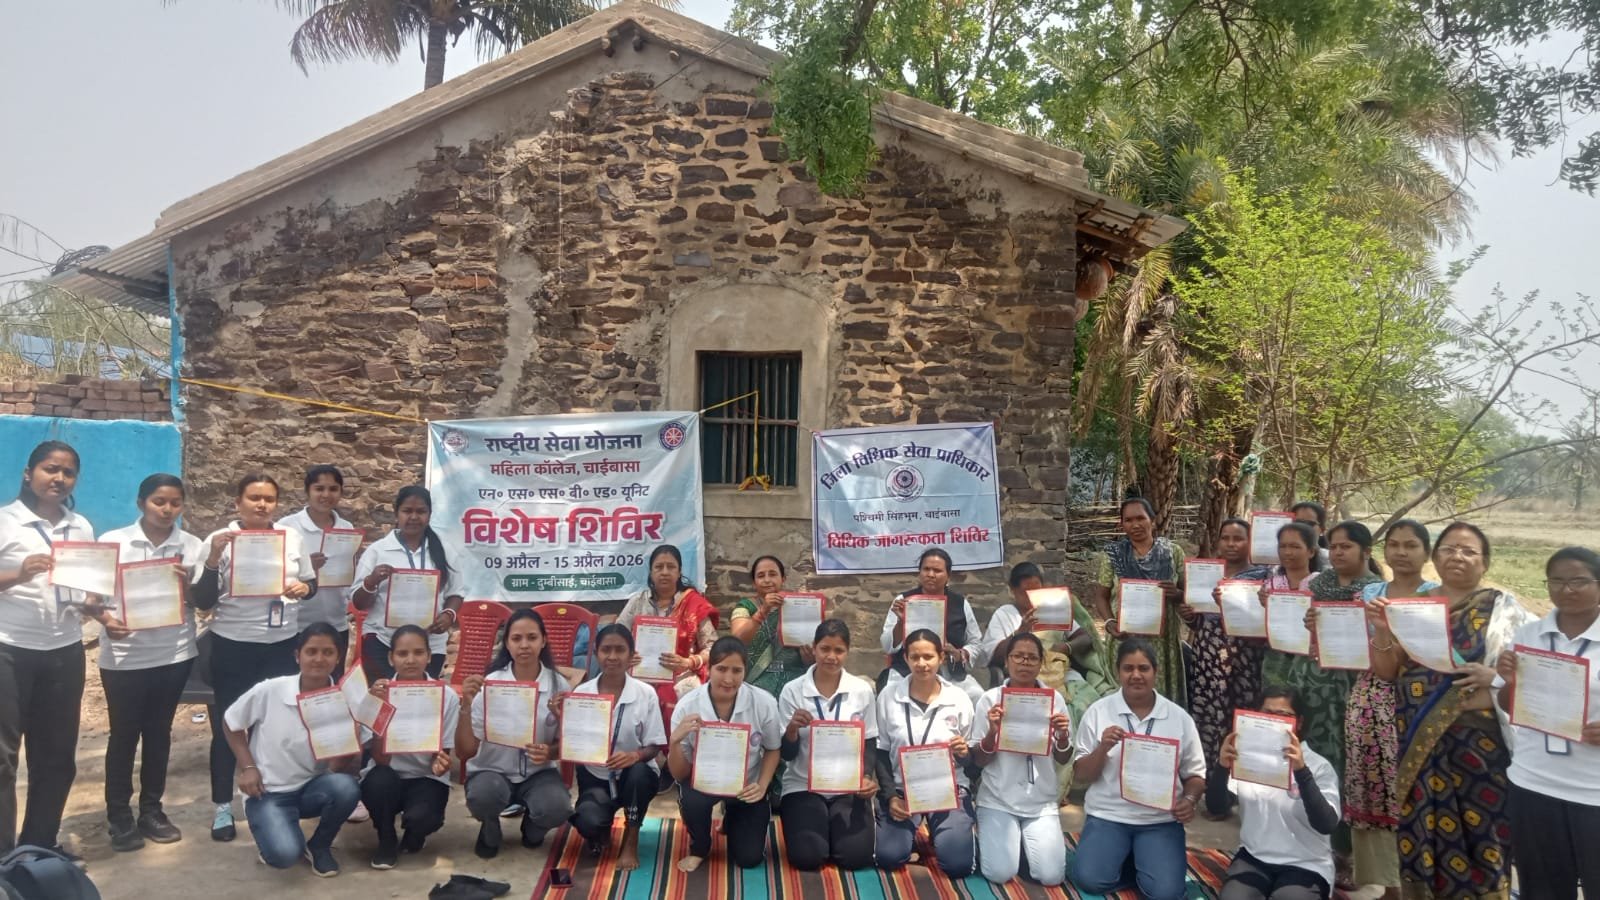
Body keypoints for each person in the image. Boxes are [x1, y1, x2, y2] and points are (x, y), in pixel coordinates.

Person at [1367, 522, 1531, 899]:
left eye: (1469, 551)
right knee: (1419, 832)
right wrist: (1382, 630)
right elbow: (1387, 672)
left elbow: (1531, 674)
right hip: (1416, 740)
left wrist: (1494, 677)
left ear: (1485, 562)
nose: (1457, 556)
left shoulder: (1503, 611)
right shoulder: (1414, 607)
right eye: (1449, 549)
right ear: (1436, 557)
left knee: (1485, 836)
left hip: (1479, 748)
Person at [0, 441, 129, 858]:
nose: (58, 478)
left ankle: (38, 847)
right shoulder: (5, 521)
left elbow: (82, 596)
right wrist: (19, 573)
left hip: (63, 652)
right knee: (3, 759)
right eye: (49, 469)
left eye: (68, 472)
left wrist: (102, 614)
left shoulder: (81, 528)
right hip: (8, 649)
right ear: (28, 473)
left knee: (56, 757)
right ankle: (3, 857)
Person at [190, 473, 318, 843]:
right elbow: (202, 600)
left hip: (281, 644)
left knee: (277, 725)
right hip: (233, 644)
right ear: (238, 503)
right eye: (253, 498)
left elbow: (311, 585)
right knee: (228, 725)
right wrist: (213, 558)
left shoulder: (292, 538)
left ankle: (273, 796)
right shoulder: (219, 540)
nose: (261, 505)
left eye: (269, 499)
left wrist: (304, 587)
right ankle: (222, 806)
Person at [97, 473, 205, 851]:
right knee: (124, 735)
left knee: (159, 733)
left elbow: (203, 601)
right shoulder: (113, 542)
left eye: (175, 503)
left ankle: (151, 811)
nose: (167, 509)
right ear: (141, 502)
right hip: (124, 656)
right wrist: (106, 621)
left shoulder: (191, 546)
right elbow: (92, 597)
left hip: (173, 653)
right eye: (159, 501)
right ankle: (119, 816)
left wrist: (186, 584)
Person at [1268, 520, 1381, 878]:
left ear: (1366, 551)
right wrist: (1308, 624)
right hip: (1310, 681)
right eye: (1334, 546)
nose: (1339, 552)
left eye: (1347, 546)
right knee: (1306, 754)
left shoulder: (1376, 591)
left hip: (1352, 687)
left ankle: (1343, 850)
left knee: (1346, 763)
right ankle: (1300, 838)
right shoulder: (1317, 585)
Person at [1494, 547, 1600, 900]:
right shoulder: (1529, 635)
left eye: (1578, 581)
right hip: (1533, 782)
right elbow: (1507, 704)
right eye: (1556, 580)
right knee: (1542, 890)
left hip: (1593, 790)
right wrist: (1510, 681)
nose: (1566, 589)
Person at [1069, 638, 1206, 900]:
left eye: (1143, 668)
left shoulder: (1178, 718)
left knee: (1166, 894)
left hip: (1159, 821)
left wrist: (1190, 799)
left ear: (1156, 671)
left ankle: (1144, 860)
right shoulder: (1099, 712)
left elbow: (1196, 775)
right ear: (1117, 671)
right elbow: (1082, 775)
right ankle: (1135, 860)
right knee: (1090, 880)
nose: (1136, 675)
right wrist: (1102, 748)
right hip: (1109, 815)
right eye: (1128, 668)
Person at [222, 622, 361, 877]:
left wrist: (351, 740)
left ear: (338, 658)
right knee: (284, 855)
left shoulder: (344, 698)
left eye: (328, 652)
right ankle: (276, 834)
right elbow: (231, 723)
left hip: (311, 787)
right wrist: (248, 767)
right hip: (268, 792)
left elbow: (338, 767)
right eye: (311, 651)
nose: (319, 659)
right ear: (298, 656)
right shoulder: (270, 690)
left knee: (346, 787)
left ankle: (319, 845)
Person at [1347, 520, 1435, 899]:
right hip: (1369, 701)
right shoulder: (1370, 593)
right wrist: (1320, 629)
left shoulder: (1436, 597)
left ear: (1426, 553)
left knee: (1412, 792)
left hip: (1417, 703)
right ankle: (1387, 885)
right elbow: (1350, 641)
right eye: (1394, 544)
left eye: (1411, 545)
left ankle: (1416, 883)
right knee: (1371, 789)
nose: (1401, 552)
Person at [457, 608, 574, 858]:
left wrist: (549, 752)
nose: (524, 645)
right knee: (483, 796)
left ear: (544, 641)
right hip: (492, 771)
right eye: (516, 638)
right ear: (507, 643)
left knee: (557, 807)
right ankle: (490, 830)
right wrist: (466, 705)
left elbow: (569, 746)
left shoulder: (559, 686)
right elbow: (465, 751)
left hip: (538, 774)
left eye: (532, 637)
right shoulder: (490, 684)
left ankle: (533, 828)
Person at [1211, 687, 1341, 900]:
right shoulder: (1245, 759)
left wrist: (1301, 772)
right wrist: (1222, 767)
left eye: (1283, 716)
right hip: (1254, 857)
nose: (1274, 721)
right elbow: (1216, 807)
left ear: (1299, 722)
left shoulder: (1318, 766)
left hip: (1306, 864)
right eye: (1267, 714)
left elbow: (1326, 824)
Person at [667, 636, 783, 872]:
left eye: (736, 670)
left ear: (745, 672)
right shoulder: (688, 706)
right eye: (721, 669)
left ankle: (732, 815)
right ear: (709, 669)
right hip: (703, 785)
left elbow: (773, 748)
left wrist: (761, 785)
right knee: (691, 799)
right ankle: (700, 847)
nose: (728, 679)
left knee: (749, 859)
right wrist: (675, 742)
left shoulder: (763, 703)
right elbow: (679, 775)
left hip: (746, 785)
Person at [969, 632, 1074, 886]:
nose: (1025, 662)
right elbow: (978, 761)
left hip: (1041, 802)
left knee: (1051, 876)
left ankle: (1024, 848)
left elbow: (1063, 758)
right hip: (998, 799)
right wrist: (993, 733)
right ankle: (1004, 845)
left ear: (1041, 663)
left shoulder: (1054, 699)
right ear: (1007, 661)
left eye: (1032, 658)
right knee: (999, 873)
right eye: (1018, 656)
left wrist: (1061, 735)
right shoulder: (991, 700)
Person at [873, 628, 978, 878]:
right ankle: (908, 832)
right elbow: (881, 752)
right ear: (906, 658)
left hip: (949, 791)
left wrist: (964, 753)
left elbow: (973, 764)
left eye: (928, 656)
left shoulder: (959, 698)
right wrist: (890, 797)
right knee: (889, 857)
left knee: (957, 865)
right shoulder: (889, 696)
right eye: (915, 657)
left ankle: (946, 829)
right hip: (903, 791)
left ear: (941, 657)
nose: (922, 663)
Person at [776, 619, 879, 871]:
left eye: (839, 650)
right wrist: (792, 729)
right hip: (803, 785)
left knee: (855, 858)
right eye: (825, 649)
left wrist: (866, 776)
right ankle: (819, 827)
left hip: (847, 787)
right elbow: (787, 755)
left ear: (847, 652)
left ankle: (835, 828)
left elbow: (869, 742)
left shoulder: (861, 690)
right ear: (814, 648)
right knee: (808, 858)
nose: (831, 657)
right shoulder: (793, 691)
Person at [1184, 517, 1270, 815]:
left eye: (1238, 538)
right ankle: (1212, 789)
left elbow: (1263, 623)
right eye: (1226, 538)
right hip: (1207, 656)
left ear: (1250, 542)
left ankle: (1238, 790)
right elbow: (1199, 621)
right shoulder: (1207, 573)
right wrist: (1189, 615)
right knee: (1208, 718)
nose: (1231, 544)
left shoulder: (1263, 577)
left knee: (1238, 721)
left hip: (1242, 659)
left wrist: (1234, 605)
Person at [566, 623, 666, 871]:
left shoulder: (645, 693)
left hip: (634, 776)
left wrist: (635, 755)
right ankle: (601, 827)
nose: (612, 657)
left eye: (620, 650)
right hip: (596, 776)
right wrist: (562, 717)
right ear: (596, 654)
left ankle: (631, 838)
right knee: (588, 822)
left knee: (639, 773)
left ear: (631, 655)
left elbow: (654, 745)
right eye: (606, 650)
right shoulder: (582, 693)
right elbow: (572, 743)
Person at [360, 624, 459, 869]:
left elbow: (441, 756)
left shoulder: (446, 696)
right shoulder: (377, 694)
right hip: (388, 774)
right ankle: (386, 837)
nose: (411, 660)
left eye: (418, 652)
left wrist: (441, 763)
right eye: (402, 654)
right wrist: (380, 708)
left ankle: (416, 834)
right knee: (378, 780)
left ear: (429, 656)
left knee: (424, 817)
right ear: (391, 658)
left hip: (425, 777)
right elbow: (380, 759)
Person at [980, 562, 1115, 729]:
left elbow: (1085, 638)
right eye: (1025, 593)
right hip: (1024, 676)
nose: (1031, 598)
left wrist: (1067, 647)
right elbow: (993, 655)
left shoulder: (1052, 610)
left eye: (1036, 591)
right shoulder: (1005, 614)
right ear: (1013, 590)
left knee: (1088, 705)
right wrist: (1020, 632)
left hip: (1061, 674)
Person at [349, 485, 463, 680]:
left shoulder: (445, 551)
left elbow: (456, 593)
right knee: (385, 695)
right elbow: (358, 603)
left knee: (419, 695)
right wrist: (371, 581)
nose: (414, 517)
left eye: (421, 511)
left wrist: (448, 615)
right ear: (396, 513)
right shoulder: (378, 551)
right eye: (407, 511)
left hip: (429, 646)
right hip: (383, 642)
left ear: (429, 514)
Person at [615, 544, 720, 749]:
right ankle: (638, 754)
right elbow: (616, 637)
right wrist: (626, 656)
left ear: (679, 572)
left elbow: (713, 647)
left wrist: (689, 662)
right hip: (639, 673)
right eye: (659, 567)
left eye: (671, 567)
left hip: (681, 675)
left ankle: (676, 756)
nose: (664, 572)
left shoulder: (693, 603)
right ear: (651, 572)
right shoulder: (638, 602)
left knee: (683, 695)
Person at [1090, 498, 1187, 705]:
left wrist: (1177, 594)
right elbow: (1101, 596)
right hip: (1124, 638)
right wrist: (1109, 622)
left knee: (1161, 701)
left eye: (1140, 518)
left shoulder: (1173, 553)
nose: (1135, 525)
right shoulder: (1113, 556)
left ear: (1152, 520)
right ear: (1122, 524)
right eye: (1128, 520)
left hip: (1163, 642)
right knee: (1124, 701)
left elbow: (1187, 593)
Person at [277, 465, 358, 676]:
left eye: (333, 489)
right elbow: (275, 574)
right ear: (307, 491)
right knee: (296, 684)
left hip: (336, 622)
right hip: (297, 624)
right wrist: (307, 568)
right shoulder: (287, 527)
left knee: (330, 684)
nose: (326, 495)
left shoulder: (347, 528)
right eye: (319, 488)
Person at [880, 548, 986, 703]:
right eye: (926, 569)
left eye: (937, 570)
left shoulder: (960, 603)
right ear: (919, 572)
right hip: (908, 671)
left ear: (948, 575)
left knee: (977, 695)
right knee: (889, 698)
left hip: (949, 674)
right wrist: (901, 621)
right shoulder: (903, 601)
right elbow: (887, 646)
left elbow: (975, 643)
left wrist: (959, 654)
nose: (930, 574)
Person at [729, 554, 811, 698]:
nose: (767, 580)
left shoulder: (797, 605)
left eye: (773, 574)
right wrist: (763, 611)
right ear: (754, 582)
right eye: (761, 576)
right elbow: (737, 640)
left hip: (793, 684)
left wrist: (809, 658)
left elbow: (811, 642)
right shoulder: (745, 607)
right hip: (755, 683)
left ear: (783, 579)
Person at [1291, 501, 1331, 567]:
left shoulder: (1331, 561)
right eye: (1297, 523)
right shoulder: (1278, 558)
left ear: (1322, 529)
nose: (1302, 528)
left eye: (1309, 524)